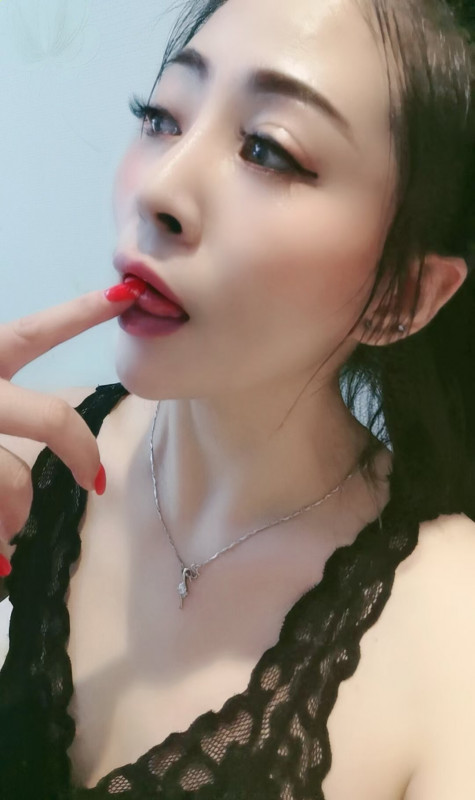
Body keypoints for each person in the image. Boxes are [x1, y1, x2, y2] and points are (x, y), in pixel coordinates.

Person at [0, 0, 474, 796]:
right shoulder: (19, 461)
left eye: (267, 150)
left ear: (403, 295)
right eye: (161, 117)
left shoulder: (450, 631)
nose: (160, 188)